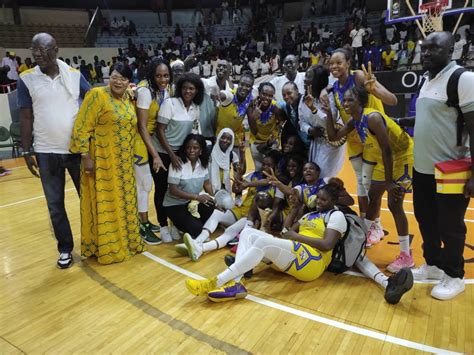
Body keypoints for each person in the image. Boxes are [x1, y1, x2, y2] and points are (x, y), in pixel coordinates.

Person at [185, 180, 414, 305]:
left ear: (333, 201)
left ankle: (215, 282)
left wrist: (294, 236)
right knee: (248, 234)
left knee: (262, 245)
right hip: (297, 252)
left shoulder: (335, 217)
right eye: (319, 198)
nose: (319, 201)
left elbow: (325, 245)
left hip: (313, 262)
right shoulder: (309, 215)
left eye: (324, 199)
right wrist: (295, 210)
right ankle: (236, 282)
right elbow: (286, 232)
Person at [18, 33, 91, 269]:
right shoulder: (26, 79)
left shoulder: (74, 75)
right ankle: (65, 249)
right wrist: (27, 150)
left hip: (75, 150)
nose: (37, 54)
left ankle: (94, 241)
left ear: (56, 50)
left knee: (87, 200)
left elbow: (92, 101)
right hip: (46, 152)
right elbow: (25, 115)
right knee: (55, 204)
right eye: (34, 49)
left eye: (42, 49)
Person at [410, 32, 474, 300]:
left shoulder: (463, 79)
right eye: (424, 49)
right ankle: (434, 265)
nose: (426, 54)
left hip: (451, 171)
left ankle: (454, 275)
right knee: (427, 221)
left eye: (434, 49)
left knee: (450, 225)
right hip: (422, 170)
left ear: (451, 51)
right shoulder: (427, 79)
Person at [325, 85, 414, 272]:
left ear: (361, 102)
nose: (346, 103)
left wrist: (389, 182)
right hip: (385, 157)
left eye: (351, 100)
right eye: (344, 100)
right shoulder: (354, 121)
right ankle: (361, 237)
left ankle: (406, 256)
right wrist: (328, 113)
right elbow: (333, 136)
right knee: (374, 195)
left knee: (394, 204)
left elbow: (388, 149)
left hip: (402, 156)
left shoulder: (372, 117)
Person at [70, 62, 145, 264]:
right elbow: (81, 128)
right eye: (114, 76)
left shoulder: (129, 97)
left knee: (125, 203)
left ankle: (127, 242)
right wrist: (86, 157)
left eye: (123, 78)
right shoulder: (97, 95)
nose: (118, 81)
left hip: (124, 164)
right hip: (102, 162)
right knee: (108, 204)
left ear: (130, 82)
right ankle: (108, 248)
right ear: (108, 77)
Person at [323, 48, 397, 235]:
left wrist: (375, 89)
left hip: (373, 132)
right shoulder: (333, 88)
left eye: (339, 62)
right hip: (355, 135)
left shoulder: (359, 77)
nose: (334, 66)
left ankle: (374, 225)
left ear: (348, 63)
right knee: (361, 182)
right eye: (331, 63)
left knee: (373, 184)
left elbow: (392, 100)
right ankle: (367, 223)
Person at [152, 73, 205, 242]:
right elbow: (160, 130)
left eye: (191, 88)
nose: (187, 91)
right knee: (161, 189)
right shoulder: (170, 104)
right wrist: (171, 155)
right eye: (184, 88)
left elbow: (193, 133)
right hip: (163, 151)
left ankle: (175, 222)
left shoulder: (196, 108)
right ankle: (163, 225)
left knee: (180, 188)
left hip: (180, 153)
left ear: (197, 90)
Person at [134, 60, 170, 245]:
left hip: (150, 138)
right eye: (158, 75)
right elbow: (141, 126)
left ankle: (145, 220)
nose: (163, 79)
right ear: (151, 75)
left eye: (165, 75)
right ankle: (143, 224)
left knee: (149, 184)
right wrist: (155, 155)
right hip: (139, 140)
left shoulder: (161, 89)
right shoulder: (145, 92)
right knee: (144, 184)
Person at [163, 134, 220, 238]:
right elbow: (173, 190)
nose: (191, 150)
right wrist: (197, 197)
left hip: (191, 202)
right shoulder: (177, 163)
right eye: (188, 147)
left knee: (210, 205)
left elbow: (207, 184)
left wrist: (215, 200)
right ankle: (177, 224)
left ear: (201, 150)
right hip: (174, 204)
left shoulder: (203, 164)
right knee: (197, 229)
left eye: (195, 148)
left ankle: (189, 224)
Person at [299, 66, 346, 179]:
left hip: (330, 143)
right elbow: (301, 122)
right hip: (314, 141)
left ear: (317, 81)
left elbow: (329, 123)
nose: (305, 79)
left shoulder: (329, 97)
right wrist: (309, 130)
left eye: (308, 77)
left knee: (324, 177)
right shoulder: (303, 98)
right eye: (305, 76)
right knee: (313, 177)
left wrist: (314, 109)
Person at [247, 82, 283, 171]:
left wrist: (274, 139)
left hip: (271, 143)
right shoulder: (251, 106)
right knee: (259, 169)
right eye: (264, 94)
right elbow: (254, 131)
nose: (267, 98)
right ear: (259, 93)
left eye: (270, 95)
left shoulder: (276, 108)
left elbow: (281, 124)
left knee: (272, 170)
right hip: (256, 142)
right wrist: (253, 117)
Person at [215, 72, 255, 154]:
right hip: (220, 136)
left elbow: (249, 126)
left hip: (236, 138)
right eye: (242, 84)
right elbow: (224, 94)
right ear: (238, 84)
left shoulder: (250, 101)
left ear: (251, 89)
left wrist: (247, 142)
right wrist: (220, 95)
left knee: (243, 157)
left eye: (248, 86)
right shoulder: (230, 95)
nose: (244, 88)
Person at [209, 128, 244, 194]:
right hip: (209, 190)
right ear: (218, 138)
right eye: (223, 137)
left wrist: (242, 154)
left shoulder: (232, 155)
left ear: (232, 141)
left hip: (225, 190)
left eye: (229, 139)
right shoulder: (210, 152)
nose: (225, 140)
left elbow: (241, 170)